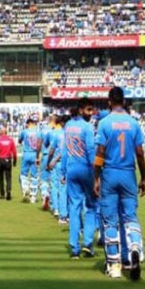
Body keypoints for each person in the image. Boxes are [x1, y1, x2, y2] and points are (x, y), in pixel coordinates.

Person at [94, 87, 145, 280]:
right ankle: (134, 250)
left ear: (109, 102)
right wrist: (144, 177)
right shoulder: (133, 123)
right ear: (124, 102)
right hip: (128, 175)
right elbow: (140, 153)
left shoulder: (104, 123)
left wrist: (96, 177)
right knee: (130, 217)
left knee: (110, 221)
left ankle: (114, 265)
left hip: (109, 174)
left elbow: (100, 153)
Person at [62, 103, 98, 259]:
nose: (91, 113)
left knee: (74, 208)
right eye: (89, 110)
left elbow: (64, 150)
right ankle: (88, 243)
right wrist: (96, 174)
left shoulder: (69, 126)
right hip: (86, 169)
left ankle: (74, 248)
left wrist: (63, 171)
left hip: (71, 169)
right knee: (91, 206)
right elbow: (91, 150)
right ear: (82, 110)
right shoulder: (87, 127)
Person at [17, 119, 42, 203]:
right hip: (34, 154)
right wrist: (38, 157)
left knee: (23, 174)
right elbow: (39, 144)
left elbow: (19, 141)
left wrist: (22, 141)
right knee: (34, 176)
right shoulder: (38, 132)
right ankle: (33, 197)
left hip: (26, 154)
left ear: (27, 124)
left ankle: (25, 189)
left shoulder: (24, 131)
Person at [0, 126, 17, 200]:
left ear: (1, 133)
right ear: (6, 132)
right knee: (8, 177)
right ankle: (8, 191)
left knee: (1, 178)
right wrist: (15, 161)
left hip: (0, 160)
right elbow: (14, 152)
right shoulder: (10, 140)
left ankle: (2, 194)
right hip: (8, 160)